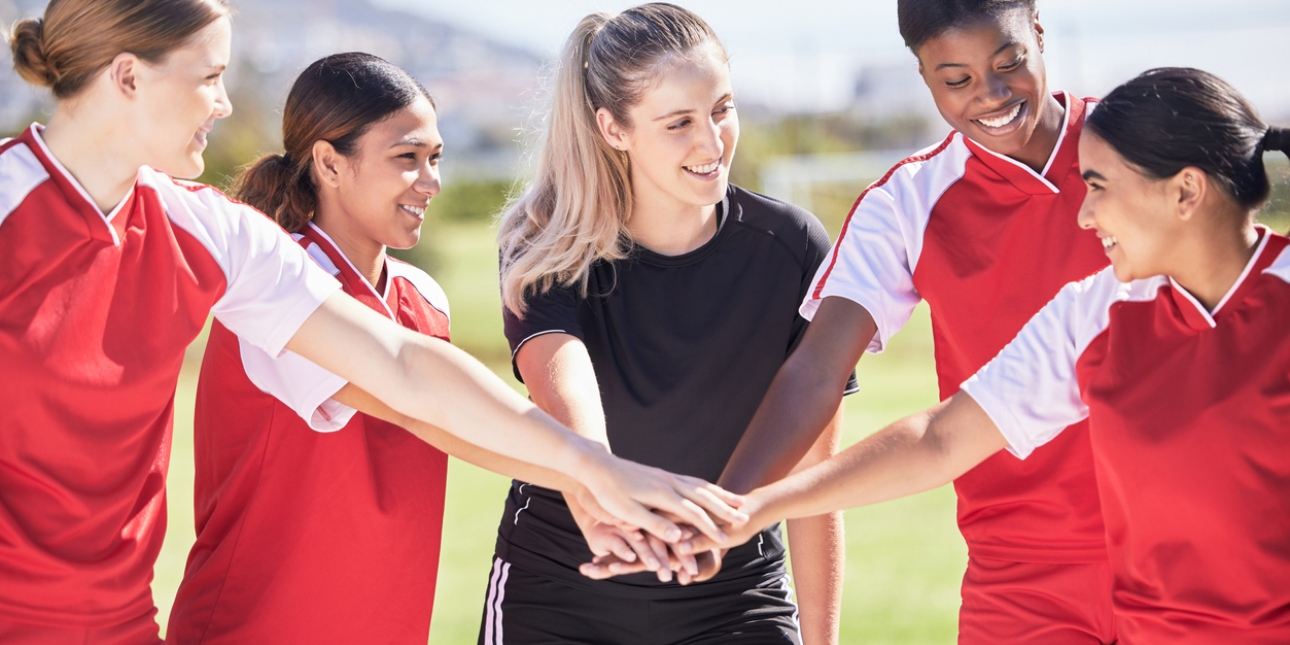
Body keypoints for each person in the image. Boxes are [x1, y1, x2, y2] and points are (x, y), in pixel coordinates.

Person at [0, 2, 745, 643]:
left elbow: (401, 362)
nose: (224, 103)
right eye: (208, 77)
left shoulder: (203, 228)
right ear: (128, 76)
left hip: (124, 623)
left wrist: (597, 469)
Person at [681, 66, 1290, 645]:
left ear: (1185, 191)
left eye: (1100, 188)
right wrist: (753, 507)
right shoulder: (1094, 312)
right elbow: (941, 438)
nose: (1084, 212)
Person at [601, 0, 1114, 642]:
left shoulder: (1134, 151)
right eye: (956, 80)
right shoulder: (906, 203)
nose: (991, 94)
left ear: (1038, 33)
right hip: (1021, 569)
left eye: (1009, 62)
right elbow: (816, 370)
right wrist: (722, 511)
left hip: (1183, 548)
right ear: (924, 75)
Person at [481, 3, 854, 644]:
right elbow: (567, 398)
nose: (711, 143)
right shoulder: (548, 242)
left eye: (722, 109)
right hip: (562, 590)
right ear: (613, 128)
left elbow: (812, 479)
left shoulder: (793, 248)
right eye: (678, 122)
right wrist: (611, 498)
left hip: (734, 599)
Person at [165, 52, 541, 645]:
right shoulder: (272, 288)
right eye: (407, 159)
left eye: (435, 159)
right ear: (328, 163)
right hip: (255, 629)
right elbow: (434, 409)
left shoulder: (424, 299)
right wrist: (601, 478)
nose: (432, 181)